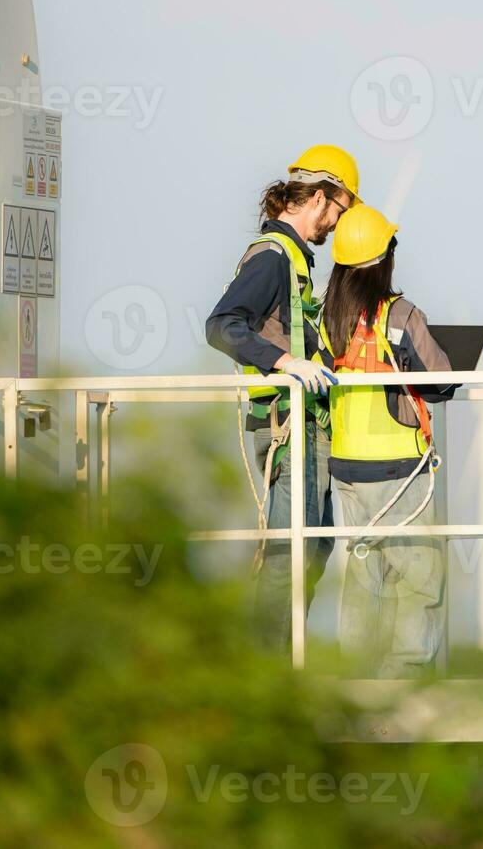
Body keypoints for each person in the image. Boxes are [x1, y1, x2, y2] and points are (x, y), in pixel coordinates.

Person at [205, 144, 358, 652]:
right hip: (285, 427)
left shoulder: (292, 259)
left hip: (301, 425)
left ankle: (280, 656)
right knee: (290, 554)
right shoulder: (273, 258)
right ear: (318, 198)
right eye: (339, 211)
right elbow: (222, 325)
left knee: (312, 548)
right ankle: (267, 667)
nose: (336, 225)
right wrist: (287, 363)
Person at [320, 205, 456, 678]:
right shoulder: (400, 314)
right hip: (399, 467)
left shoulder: (326, 316)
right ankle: (406, 679)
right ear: (385, 258)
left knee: (363, 577)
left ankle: (356, 677)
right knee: (420, 579)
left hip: (348, 468)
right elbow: (441, 381)